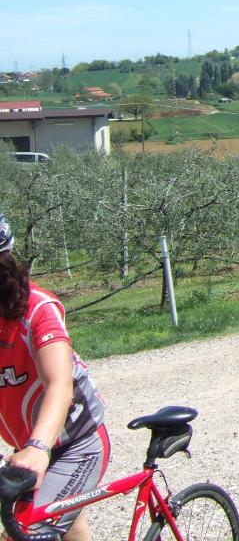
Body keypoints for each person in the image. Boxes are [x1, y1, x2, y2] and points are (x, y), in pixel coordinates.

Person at [0, 214, 109, 541]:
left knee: (25, 531)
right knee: (70, 524)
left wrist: (37, 448)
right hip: (29, 449)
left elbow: (59, 386)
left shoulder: (37, 309)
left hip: (77, 443)